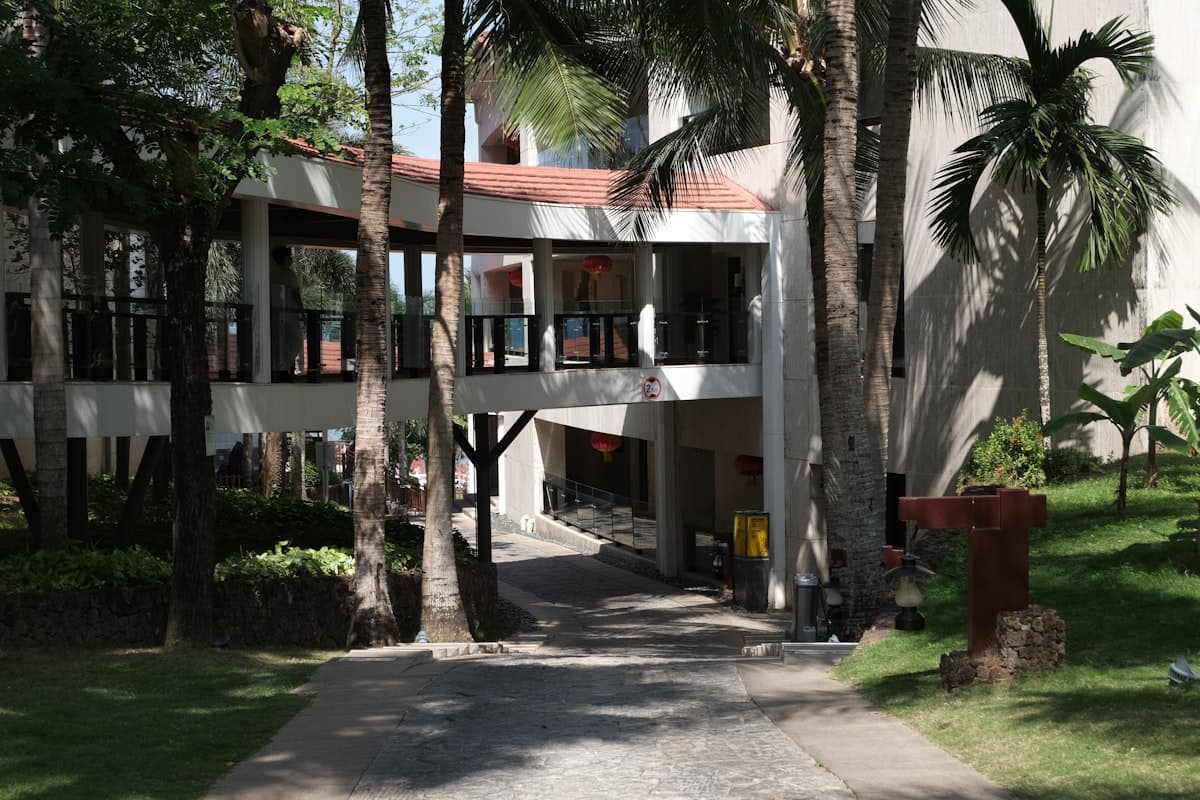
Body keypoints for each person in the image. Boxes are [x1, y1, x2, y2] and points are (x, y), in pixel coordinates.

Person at [270, 246, 305, 378]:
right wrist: (302, 312)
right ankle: (286, 368)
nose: (291, 260)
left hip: (275, 315)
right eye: (289, 257)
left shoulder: (272, 274)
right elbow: (295, 294)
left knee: (279, 342)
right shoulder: (289, 274)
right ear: (285, 259)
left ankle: (281, 368)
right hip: (289, 314)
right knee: (295, 340)